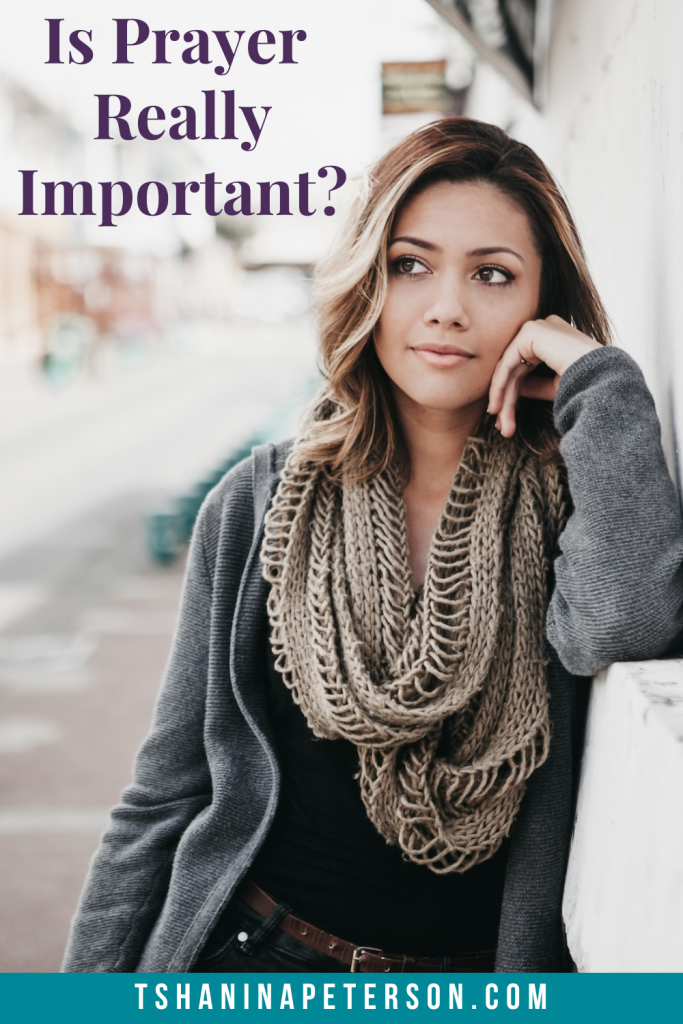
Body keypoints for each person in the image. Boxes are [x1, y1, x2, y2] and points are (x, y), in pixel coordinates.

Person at [62, 118, 683, 975]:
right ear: (368, 280)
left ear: (543, 301)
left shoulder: (578, 498)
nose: (446, 308)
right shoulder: (259, 501)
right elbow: (168, 792)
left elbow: (622, 625)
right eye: (410, 265)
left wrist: (596, 379)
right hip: (254, 961)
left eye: (492, 275)